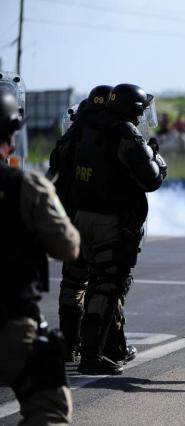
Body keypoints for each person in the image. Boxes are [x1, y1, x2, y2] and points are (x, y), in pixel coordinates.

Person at [73, 83, 167, 375]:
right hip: (109, 220)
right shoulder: (124, 131)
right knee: (108, 285)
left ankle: (109, 348)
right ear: (134, 108)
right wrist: (155, 157)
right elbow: (151, 179)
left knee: (98, 282)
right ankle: (91, 356)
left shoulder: (87, 127)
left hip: (82, 216)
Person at [0, 85, 80, 424]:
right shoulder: (26, 187)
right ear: (10, 133)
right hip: (9, 323)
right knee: (49, 409)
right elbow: (68, 246)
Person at [48, 85, 112, 362]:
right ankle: (99, 349)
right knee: (106, 283)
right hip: (104, 222)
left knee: (73, 283)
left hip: (73, 220)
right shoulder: (115, 135)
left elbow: (55, 172)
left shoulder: (71, 138)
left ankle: (68, 346)